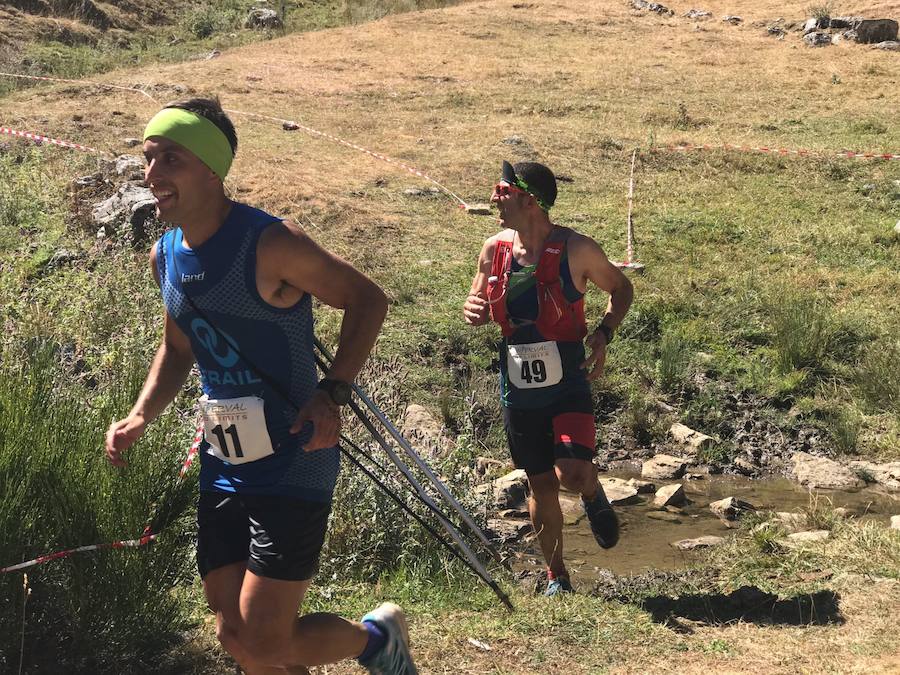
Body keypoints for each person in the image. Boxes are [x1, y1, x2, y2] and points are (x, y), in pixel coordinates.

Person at [105, 98, 417, 674]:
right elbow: (178, 349)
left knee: (265, 639)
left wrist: (334, 392)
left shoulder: (268, 243)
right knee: (235, 636)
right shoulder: (165, 255)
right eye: (148, 159)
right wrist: (141, 414)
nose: (152, 175)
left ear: (211, 170)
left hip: (296, 455)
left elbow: (367, 299)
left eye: (169, 159)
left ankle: (376, 640)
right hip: (224, 457)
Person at [463, 160, 634, 596]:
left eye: (502, 193)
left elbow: (621, 287)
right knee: (539, 482)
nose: (493, 202)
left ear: (530, 200)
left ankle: (592, 491)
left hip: (568, 379)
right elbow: (475, 297)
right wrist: (473, 311)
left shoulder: (577, 249)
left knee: (571, 475)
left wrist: (603, 333)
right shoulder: (493, 249)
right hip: (518, 384)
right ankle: (557, 575)